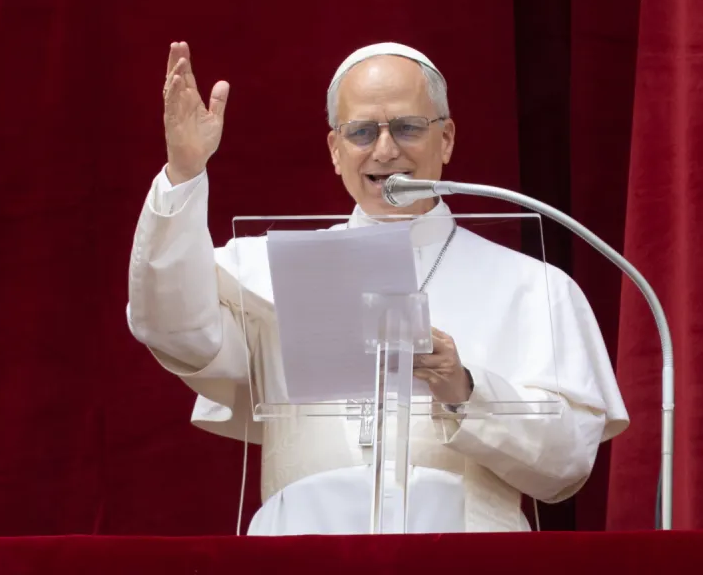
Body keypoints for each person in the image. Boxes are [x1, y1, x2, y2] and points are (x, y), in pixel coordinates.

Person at [125, 41, 628, 534]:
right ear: (335, 150)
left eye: (408, 127)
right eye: (362, 131)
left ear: (447, 139)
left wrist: (466, 390)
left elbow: (568, 462)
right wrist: (185, 174)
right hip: (303, 551)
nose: (385, 151)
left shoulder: (531, 286)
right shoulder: (264, 269)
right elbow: (173, 328)